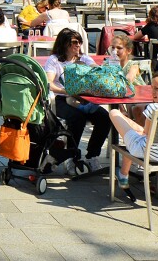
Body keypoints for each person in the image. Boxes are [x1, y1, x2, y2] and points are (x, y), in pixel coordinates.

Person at [107, 71, 158, 196]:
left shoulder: (154, 109)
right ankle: (123, 175)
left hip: (147, 151)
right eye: (152, 88)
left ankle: (123, 175)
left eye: (157, 89)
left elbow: (145, 133)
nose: (153, 92)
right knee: (133, 133)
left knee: (114, 113)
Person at [40, 29, 110, 173]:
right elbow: (49, 83)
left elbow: (95, 70)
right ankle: (70, 157)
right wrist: (66, 91)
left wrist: (103, 70)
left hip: (83, 99)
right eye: (74, 42)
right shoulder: (55, 60)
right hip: (61, 98)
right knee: (77, 119)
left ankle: (92, 155)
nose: (78, 45)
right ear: (64, 43)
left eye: (80, 42)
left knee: (105, 118)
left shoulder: (84, 58)